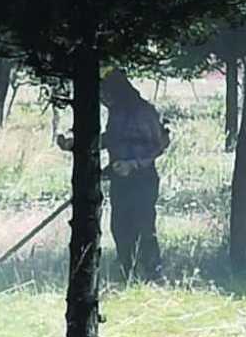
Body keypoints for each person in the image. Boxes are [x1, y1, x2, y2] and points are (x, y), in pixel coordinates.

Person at [57, 69, 170, 281]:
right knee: (120, 227)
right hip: (120, 180)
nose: (105, 100)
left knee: (144, 226)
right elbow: (109, 139)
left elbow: (160, 144)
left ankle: (154, 274)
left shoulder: (145, 112)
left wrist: (134, 164)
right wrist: (76, 145)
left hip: (143, 179)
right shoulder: (116, 112)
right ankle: (127, 272)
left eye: (108, 94)